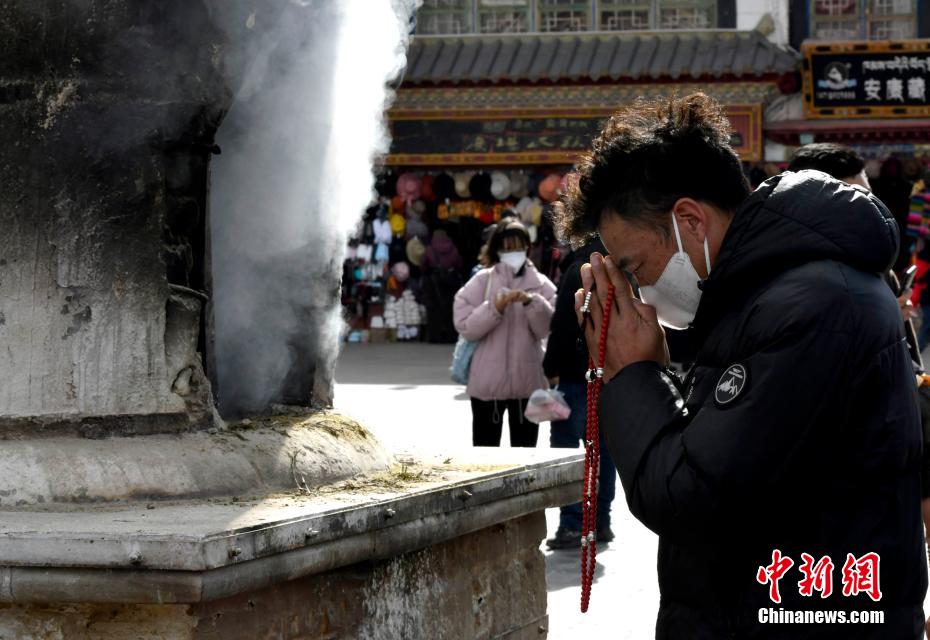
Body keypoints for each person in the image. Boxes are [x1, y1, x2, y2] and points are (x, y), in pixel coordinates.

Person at [553, 93, 926, 638]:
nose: (640, 292)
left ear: (689, 220)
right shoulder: (757, 298)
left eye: (636, 268)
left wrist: (634, 374)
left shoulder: (812, 308)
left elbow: (692, 496)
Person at [453, 220, 556, 447]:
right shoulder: (482, 280)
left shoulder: (541, 285)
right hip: (487, 385)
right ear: (497, 249)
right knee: (485, 452)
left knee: (526, 452)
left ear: (527, 248)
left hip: (528, 384)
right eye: (508, 248)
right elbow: (466, 327)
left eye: (518, 247)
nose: (513, 253)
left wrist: (531, 302)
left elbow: (547, 329)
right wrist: (494, 308)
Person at [542, 237, 617, 549]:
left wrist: (550, 366)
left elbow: (563, 324)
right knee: (603, 450)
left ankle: (573, 523)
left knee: (569, 448)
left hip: (576, 375)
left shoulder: (578, 270)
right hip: (609, 374)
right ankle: (601, 520)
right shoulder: (617, 265)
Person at [420, 229, 463, 344]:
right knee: (450, 309)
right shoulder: (453, 248)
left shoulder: (430, 249)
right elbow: (459, 263)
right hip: (450, 283)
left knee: (434, 310)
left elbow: (423, 265)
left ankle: (435, 336)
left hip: (433, 282)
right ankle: (451, 335)